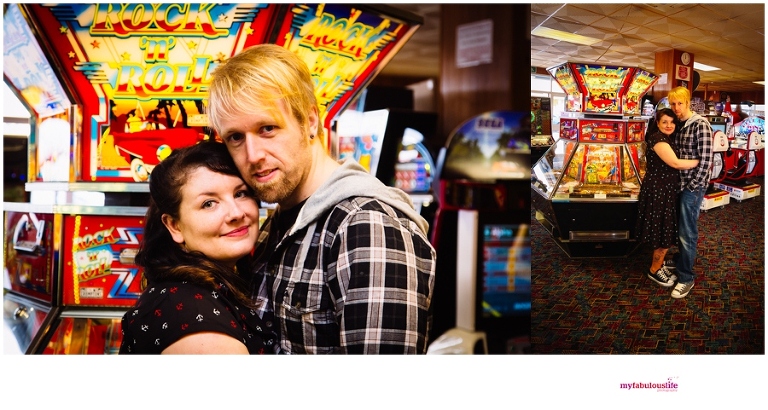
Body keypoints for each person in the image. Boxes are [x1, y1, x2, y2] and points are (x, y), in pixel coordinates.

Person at [206, 44, 436, 354]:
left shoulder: (366, 225)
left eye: (268, 128)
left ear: (310, 121)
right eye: (236, 137)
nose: (253, 155)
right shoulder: (274, 224)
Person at [119, 141, 279, 354]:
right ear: (175, 226)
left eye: (240, 193)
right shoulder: (196, 319)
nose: (236, 213)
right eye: (209, 203)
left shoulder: (215, 284)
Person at [636, 108, 699, 287]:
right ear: (657, 123)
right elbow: (675, 163)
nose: (669, 125)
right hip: (659, 191)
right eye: (664, 122)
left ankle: (658, 264)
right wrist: (699, 162)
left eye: (672, 122)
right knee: (662, 232)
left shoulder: (667, 137)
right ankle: (654, 270)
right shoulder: (658, 139)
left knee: (664, 230)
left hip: (665, 190)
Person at [666, 86, 714, 299]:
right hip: (679, 184)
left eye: (680, 103)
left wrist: (692, 187)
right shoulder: (678, 124)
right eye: (673, 104)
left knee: (687, 233)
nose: (676, 107)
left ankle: (686, 277)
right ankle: (681, 260)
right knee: (680, 228)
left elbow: (706, 161)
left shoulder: (700, 125)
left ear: (688, 103)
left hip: (692, 187)